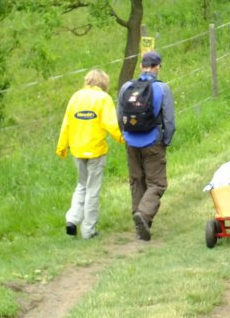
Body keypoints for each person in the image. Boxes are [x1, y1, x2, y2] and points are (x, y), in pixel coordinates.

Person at [56, 69, 124, 240]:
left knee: (81, 185)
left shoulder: (75, 97)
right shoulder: (103, 99)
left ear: (87, 81)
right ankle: (88, 230)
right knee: (92, 189)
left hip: (78, 150)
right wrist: (122, 138)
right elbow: (111, 124)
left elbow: (66, 124)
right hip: (96, 151)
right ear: (104, 83)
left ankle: (72, 219)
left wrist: (62, 146)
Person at [117, 51, 176, 241]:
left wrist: (126, 136)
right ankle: (143, 214)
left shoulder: (126, 87)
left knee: (137, 180)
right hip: (152, 140)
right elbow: (169, 121)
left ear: (141, 66)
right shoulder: (162, 88)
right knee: (157, 183)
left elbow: (120, 118)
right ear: (157, 67)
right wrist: (165, 140)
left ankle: (140, 222)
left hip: (131, 140)